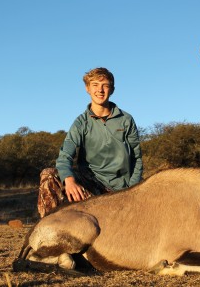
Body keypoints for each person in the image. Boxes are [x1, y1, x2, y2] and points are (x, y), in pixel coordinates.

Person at [37, 67, 143, 217]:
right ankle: (47, 232)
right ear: (87, 89)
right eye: (95, 85)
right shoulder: (81, 123)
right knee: (48, 174)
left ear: (112, 89)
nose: (100, 90)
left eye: (105, 85)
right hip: (92, 188)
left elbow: (137, 158)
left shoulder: (126, 120)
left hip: (122, 190)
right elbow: (64, 156)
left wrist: (131, 191)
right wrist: (69, 180)